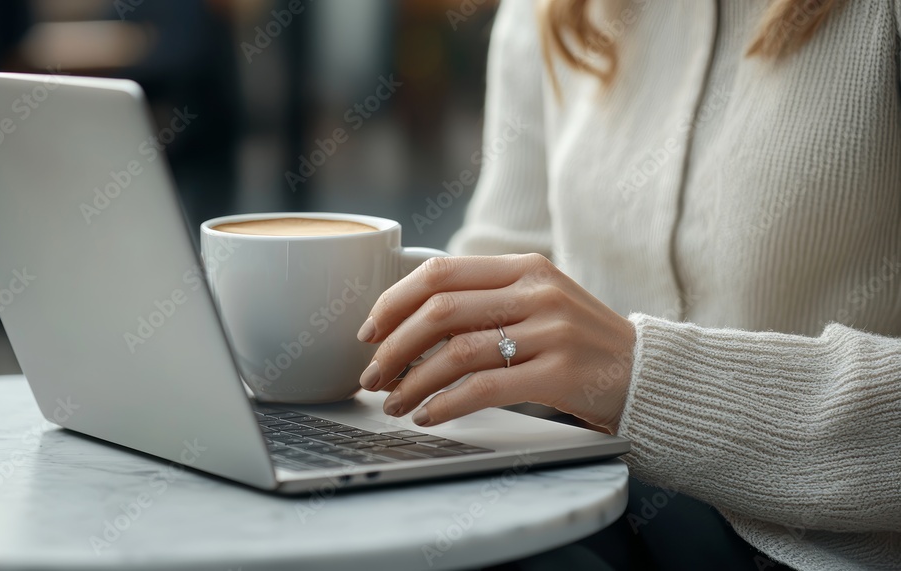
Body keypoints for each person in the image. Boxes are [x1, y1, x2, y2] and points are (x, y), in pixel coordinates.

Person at [355, 0, 901, 569]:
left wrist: (639, 376)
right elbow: (504, 257)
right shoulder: (549, 11)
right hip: (585, 484)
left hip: (815, 546)